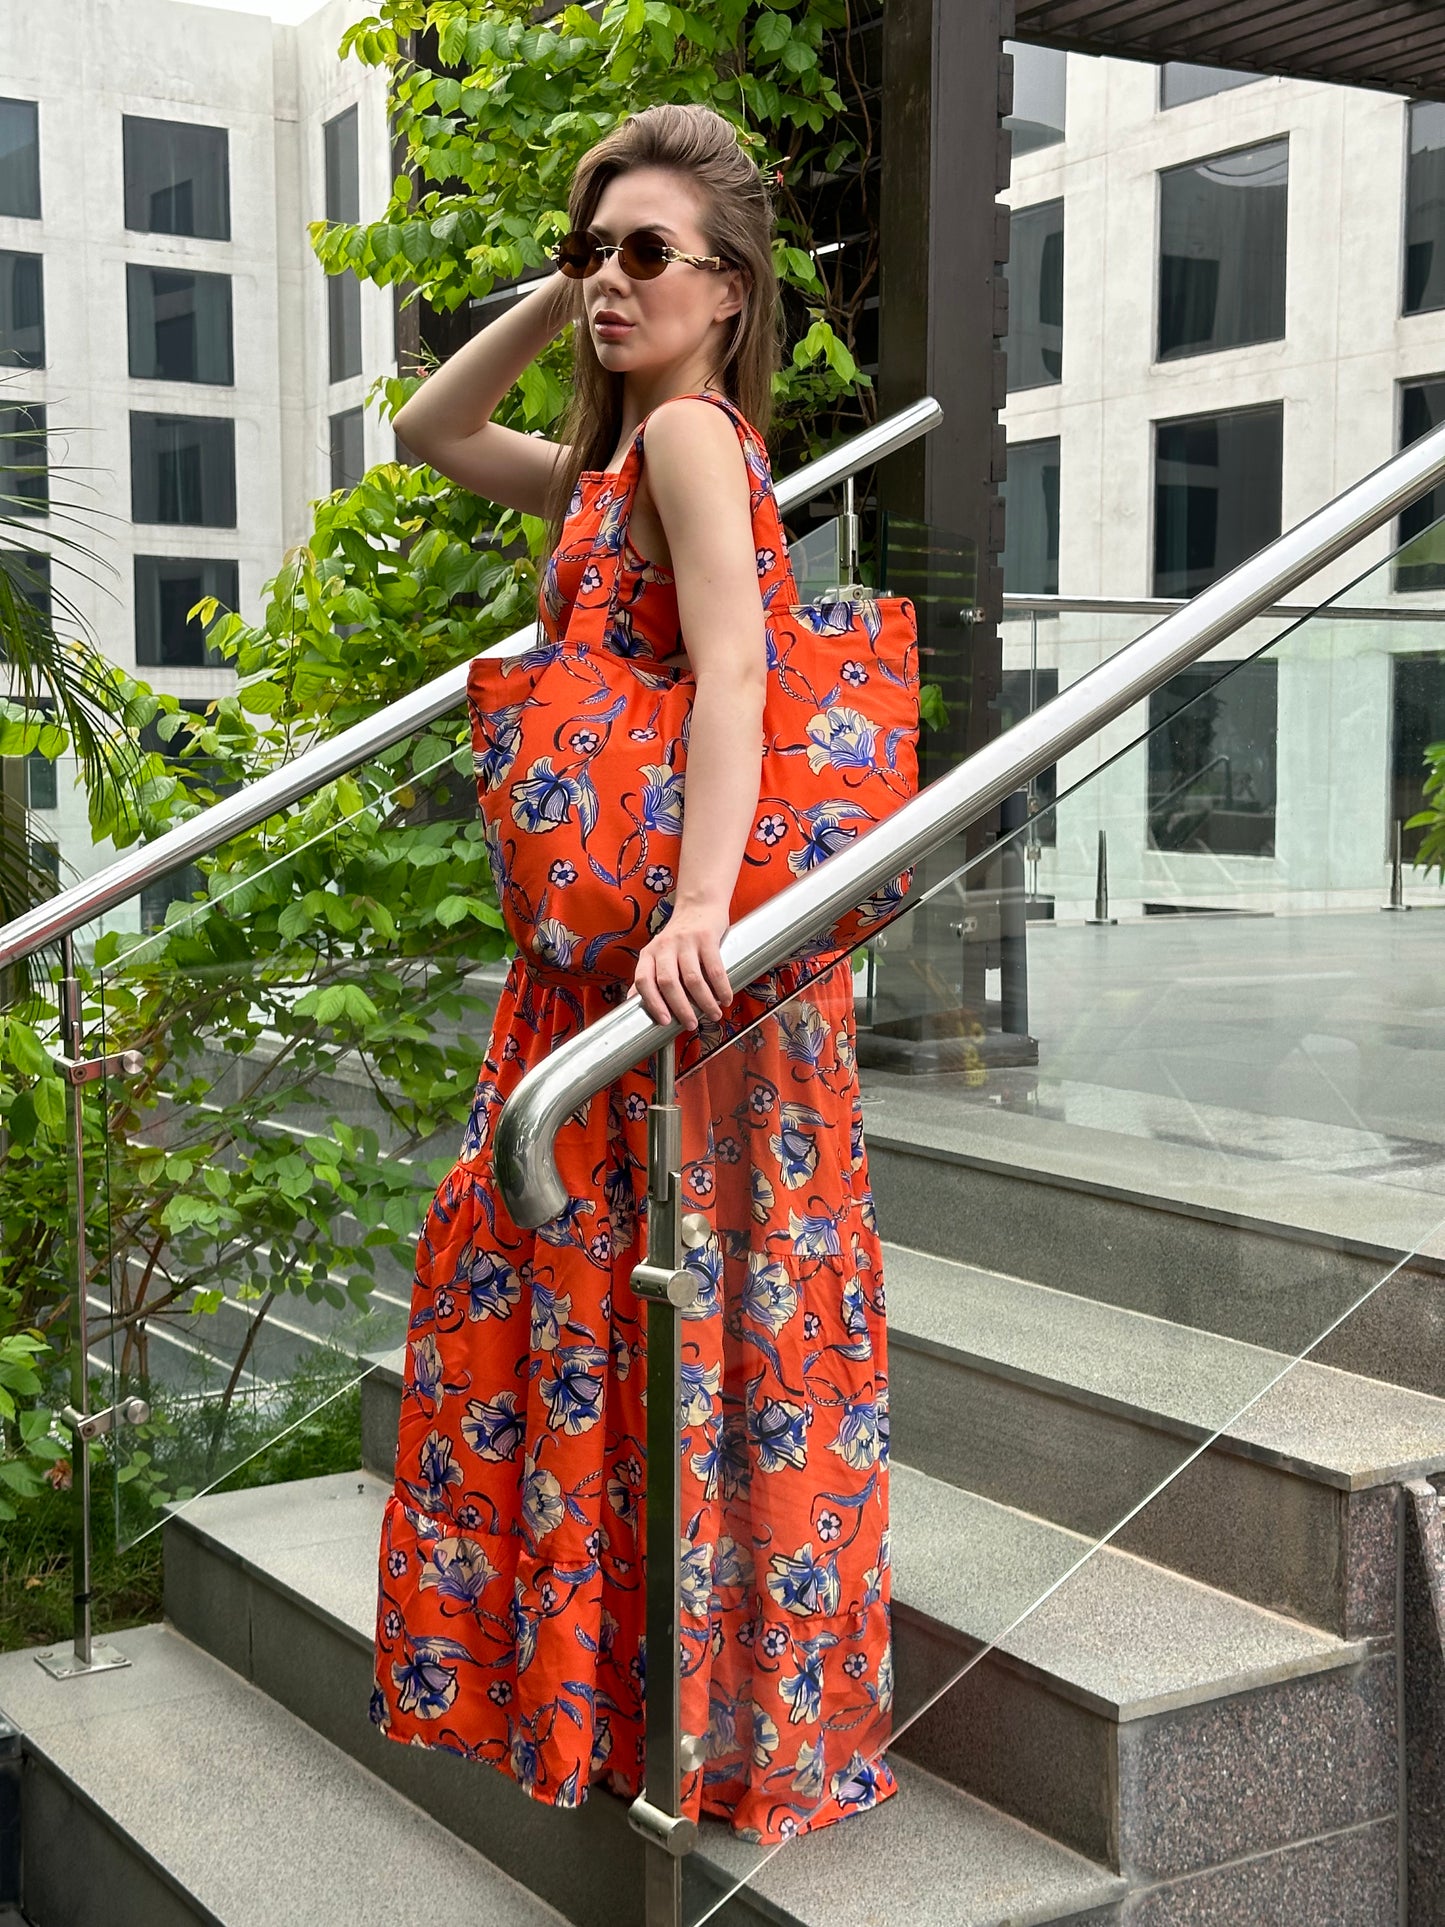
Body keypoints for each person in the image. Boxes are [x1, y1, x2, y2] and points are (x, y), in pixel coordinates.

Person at [370, 102, 895, 1846]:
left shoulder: (686, 436)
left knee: (664, 1323)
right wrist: (548, 286)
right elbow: (431, 424)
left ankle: (691, 1733)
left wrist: (690, 916)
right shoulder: (608, 466)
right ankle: (648, 1721)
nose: (608, 279)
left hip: (660, 997)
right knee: (630, 1325)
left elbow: (737, 673)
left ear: (729, 292)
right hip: (597, 997)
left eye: (645, 254)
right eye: (591, 249)